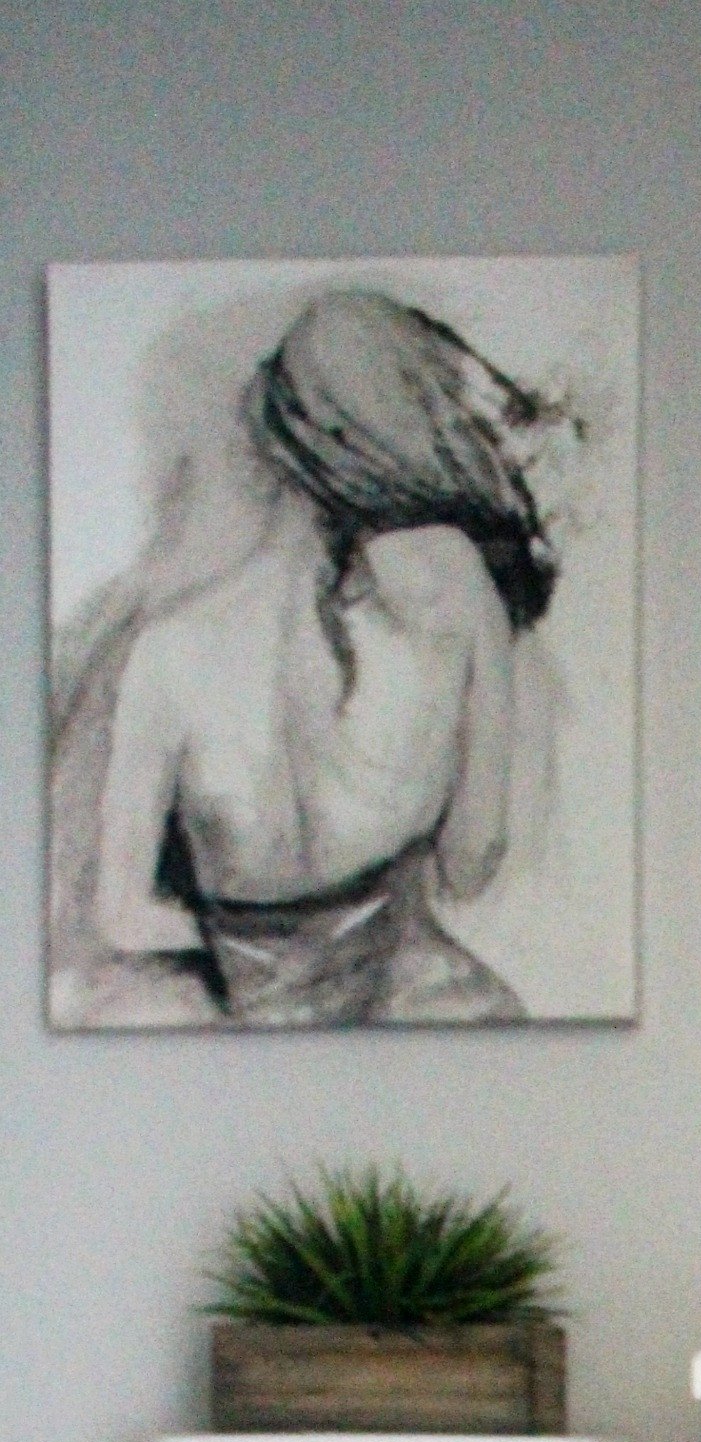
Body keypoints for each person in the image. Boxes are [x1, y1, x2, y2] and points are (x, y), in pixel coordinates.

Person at [84, 289, 559, 1025]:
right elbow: (472, 861)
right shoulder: (452, 582)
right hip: (416, 1003)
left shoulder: (167, 648)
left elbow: (122, 917)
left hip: (250, 1017)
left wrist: (262, 956)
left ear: (270, 437)